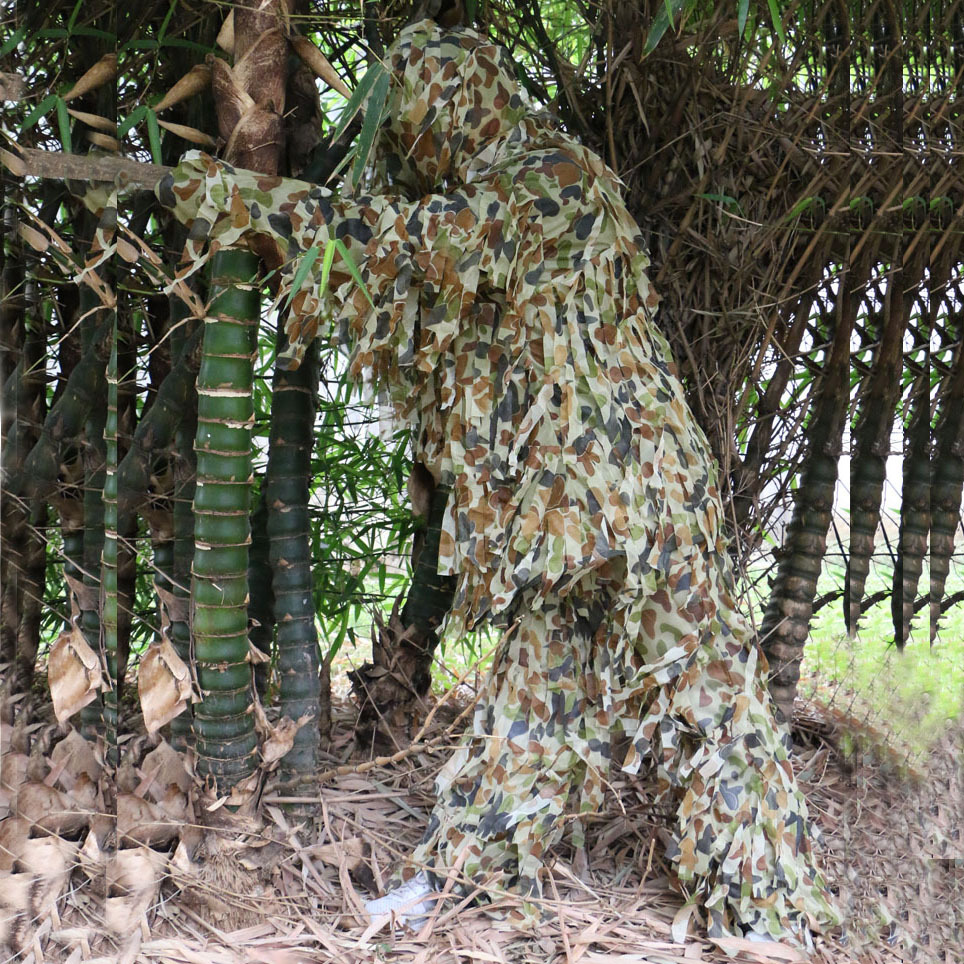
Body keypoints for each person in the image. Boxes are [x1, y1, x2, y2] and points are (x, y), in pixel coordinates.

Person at [157, 18, 840, 945]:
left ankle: (771, 916)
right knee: (534, 699)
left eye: (441, 102)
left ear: (475, 100)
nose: (429, 128)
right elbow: (409, 282)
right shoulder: (504, 188)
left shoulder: (546, 177)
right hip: (573, 521)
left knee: (710, 700)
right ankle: (465, 879)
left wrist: (249, 203)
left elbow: (409, 246)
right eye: (418, 112)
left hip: (641, 510)